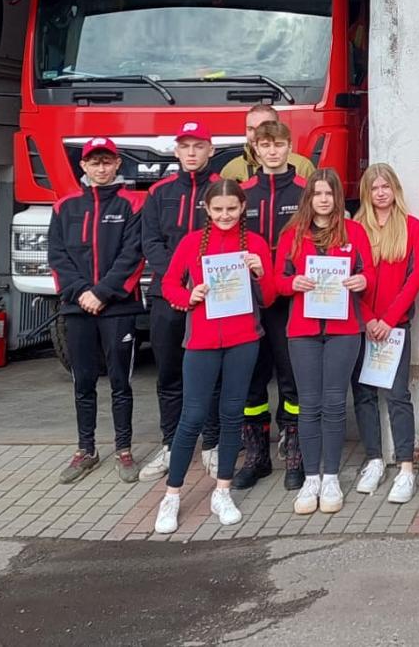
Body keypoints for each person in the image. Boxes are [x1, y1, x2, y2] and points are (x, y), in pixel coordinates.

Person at [153, 180, 276, 534]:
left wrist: (260, 272)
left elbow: (267, 298)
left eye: (232, 209)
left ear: (242, 209)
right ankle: (171, 496)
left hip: (244, 340)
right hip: (202, 341)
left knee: (232, 415)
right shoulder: (191, 242)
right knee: (191, 417)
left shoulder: (254, 244)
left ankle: (222, 491)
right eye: (218, 209)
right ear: (207, 210)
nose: (225, 215)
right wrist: (189, 296)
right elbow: (169, 284)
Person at [276, 169, 375, 515]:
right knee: (309, 404)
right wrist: (294, 284)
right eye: (316, 193)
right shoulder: (292, 234)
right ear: (308, 198)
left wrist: (361, 279)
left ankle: (331, 476)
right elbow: (278, 280)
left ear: (336, 198)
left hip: (343, 329)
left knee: (334, 404)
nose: (322, 199)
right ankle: (310, 479)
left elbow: (369, 273)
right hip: (302, 330)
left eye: (329, 193)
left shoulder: (355, 232)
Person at [48, 138, 145, 484]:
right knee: (83, 381)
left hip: (119, 307)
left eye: (107, 162)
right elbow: (57, 258)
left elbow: (134, 255)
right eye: (94, 162)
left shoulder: (133, 205)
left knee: (121, 381)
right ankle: (86, 449)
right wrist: (82, 294)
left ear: (117, 165)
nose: (100, 168)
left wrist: (102, 293)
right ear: (83, 167)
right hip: (77, 309)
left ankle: (124, 449)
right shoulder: (64, 208)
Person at [138, 121, 224, 482]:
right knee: (170, 374)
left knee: (212, 374)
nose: (192, 152)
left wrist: (199, 284)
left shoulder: (222, 190)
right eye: (185, 146)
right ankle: (172, 444)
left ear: (211, 150)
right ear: (175, 151)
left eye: (199, 145)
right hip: (168, 297)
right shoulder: (159, 193)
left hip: (213, 296)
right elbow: (151, 243)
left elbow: (230, 233)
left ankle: (213, 445)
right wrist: (178, 282)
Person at [235, 120, 307, 492]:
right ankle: (257, 457)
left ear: (288, 146)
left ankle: (294, 453)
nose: (273, 151)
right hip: (247, 300)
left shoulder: (305, 190)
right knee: (251, 380)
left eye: (279, 144)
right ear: (256, 148)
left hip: (290, 299)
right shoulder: (243, 192)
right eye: (266, 145)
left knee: (291, 380)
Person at [351, 163, 419, 503]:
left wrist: (389, 319)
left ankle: (406, 468)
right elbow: (350, 276)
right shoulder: (354, 227)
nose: (380, 193)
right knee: (365, 395)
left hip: (395, 327)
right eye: (374, 188)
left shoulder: (413, 227)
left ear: (394, 189)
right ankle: (374, 459)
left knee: (398, 396)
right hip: (362, 325)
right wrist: (368, 318)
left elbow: (415, 277)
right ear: (366, 193)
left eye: (386, 186)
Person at [220, 103, 317, 183]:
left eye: (262, 128)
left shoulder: (302, 167)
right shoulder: (231, 170)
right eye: (250, 129)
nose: (255, 134)